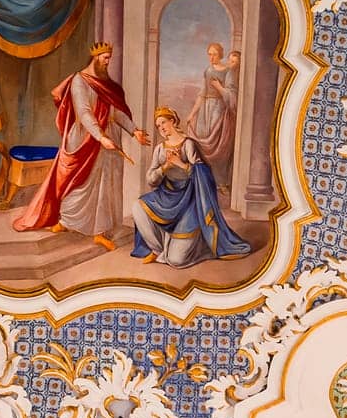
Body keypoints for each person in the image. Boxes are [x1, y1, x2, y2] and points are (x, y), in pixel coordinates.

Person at [14, 41, 151, 251]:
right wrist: (100, 136)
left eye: (109, 59)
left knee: (104, 186)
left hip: (107, 139)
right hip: (84, 139)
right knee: (78, 181)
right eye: (105, 59)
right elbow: (84, 112)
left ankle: (99, 232)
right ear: (95, 58)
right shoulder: (80, 81)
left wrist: (135, 131)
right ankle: (67, 221)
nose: (108, 63)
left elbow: (116, 112)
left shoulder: (106, 85)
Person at [131, 107, 252, 268]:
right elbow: (151, 180)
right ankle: (158, 249)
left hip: (189, 201)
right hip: (167, 197)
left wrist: (180, 163)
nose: (161, 128)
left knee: (176, 260)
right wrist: (165, 166)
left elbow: (202, 174)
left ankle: (201, 245)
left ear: (173, 121)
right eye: (158, 126)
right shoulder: (160, 149)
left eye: (163, 123)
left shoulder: (188, 144)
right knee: (137, 206)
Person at [186, 45, 240, 186]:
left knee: (216, 144)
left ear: (221, 55)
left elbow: (232, 96)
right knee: (201, 143)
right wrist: (192, 114)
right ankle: (203, 179)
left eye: (214, 54)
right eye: (209, 54)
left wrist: (219, 87)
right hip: (205, 110)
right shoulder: (208, 71)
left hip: (219, 108)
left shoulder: (228, 72)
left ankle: (219, 182)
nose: (211, 57)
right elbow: (202, 94)